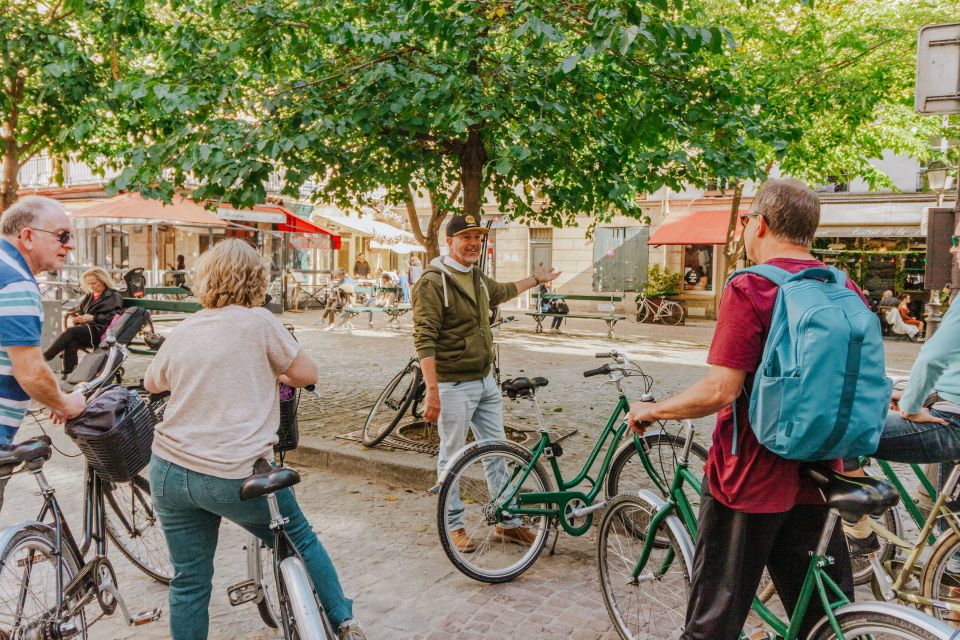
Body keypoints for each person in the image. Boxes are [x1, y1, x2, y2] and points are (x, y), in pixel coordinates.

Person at [626, 178, 856, 639]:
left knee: (715, 615)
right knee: (824, 617)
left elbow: (719, 391)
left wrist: (654, 410)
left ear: (761, 225)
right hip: (818, 471)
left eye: (748, 219)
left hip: (749, 476)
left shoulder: (751, 286)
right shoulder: (841, 285)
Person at [143, 240, 364, 640]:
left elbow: (153, 382)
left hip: (169, 472)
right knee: (300, 540)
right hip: (235, 475)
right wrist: (274, 373)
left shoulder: (185, 328)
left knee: (189, 581)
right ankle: (343, 622)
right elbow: (306, 374)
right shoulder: (260, 322)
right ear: (256, 280)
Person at [412, 214, 559, 552]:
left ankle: (507, 523)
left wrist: (537, 279)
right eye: (466, 237)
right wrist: (432, 392)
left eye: (478, 237)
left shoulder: (476, 277)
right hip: (452, 385)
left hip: (484, 381)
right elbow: (424, 339)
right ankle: (453, 526)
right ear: (450, 242)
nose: (474, 243)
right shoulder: (433, 282)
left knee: (498, 452)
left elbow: (504, 291)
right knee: (451, 457)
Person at [843, 224, 960, 552]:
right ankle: (945, 575)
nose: (951, 249)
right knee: (950, 517)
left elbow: (933, 356)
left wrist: (910, 406)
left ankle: (858, 518)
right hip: (950, 410)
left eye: (958, 241)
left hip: (951, 422)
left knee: (843, 433)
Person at [0, 196, 86, 511]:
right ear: (27, 236)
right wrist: (65, 403)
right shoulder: (16, 284)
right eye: (62, 235)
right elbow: (31, 371)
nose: (71, 245)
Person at [43, 267, 123, 377]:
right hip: (88, 330)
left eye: (94, 283)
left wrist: (93, 318)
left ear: (103, 280)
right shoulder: (90, 295)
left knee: (71, 332)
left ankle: (45, 357)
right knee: (71, 341)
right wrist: (78, 317)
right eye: (89, 284)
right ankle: (68, 373)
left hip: (101, 332)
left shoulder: (114, 296)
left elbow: (115, 317)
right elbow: (81, 309)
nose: (91, 286)